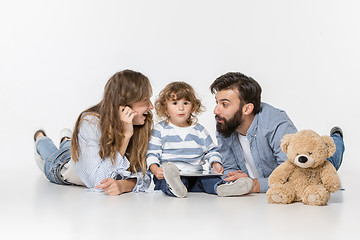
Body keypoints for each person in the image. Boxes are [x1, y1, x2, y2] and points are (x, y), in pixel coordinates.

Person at [210, 72, 345, 196]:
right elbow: (228, 169)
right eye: (217, 103)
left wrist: (254, 185)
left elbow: (295, 174)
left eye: (224, 104)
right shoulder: (225, 123)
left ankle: (337, 137)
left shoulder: (276, 124)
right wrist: (234, 180)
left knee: (326, 158)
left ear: (247, 109)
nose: (216, 110)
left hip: (306, 163)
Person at [33, 69, 154, 195]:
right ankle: (40, 138)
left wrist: (123, 185)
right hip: (62, 165)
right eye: (146, 100)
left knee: (70, 146)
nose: (151, 106)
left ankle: (67, 140)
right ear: (124, 105)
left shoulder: (142, 124)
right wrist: (125, 137)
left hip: (80, 153)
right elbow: (98, 181)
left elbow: (145, 176)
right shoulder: (90, 123)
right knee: (51, 156)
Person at [146, 81, 253, 198]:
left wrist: (215, 162)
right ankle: (175, 188)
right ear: (165, 108)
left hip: (196, 175)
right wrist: (155, 169)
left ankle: (224, 188)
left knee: (210, 180)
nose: (181, 108)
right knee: (166, 182)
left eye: (186, 103)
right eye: (175, 103)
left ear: (193, 107)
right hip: (171, 175)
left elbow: (211, 150)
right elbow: (152, 154)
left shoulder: (199, 130)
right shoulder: (160, 129)